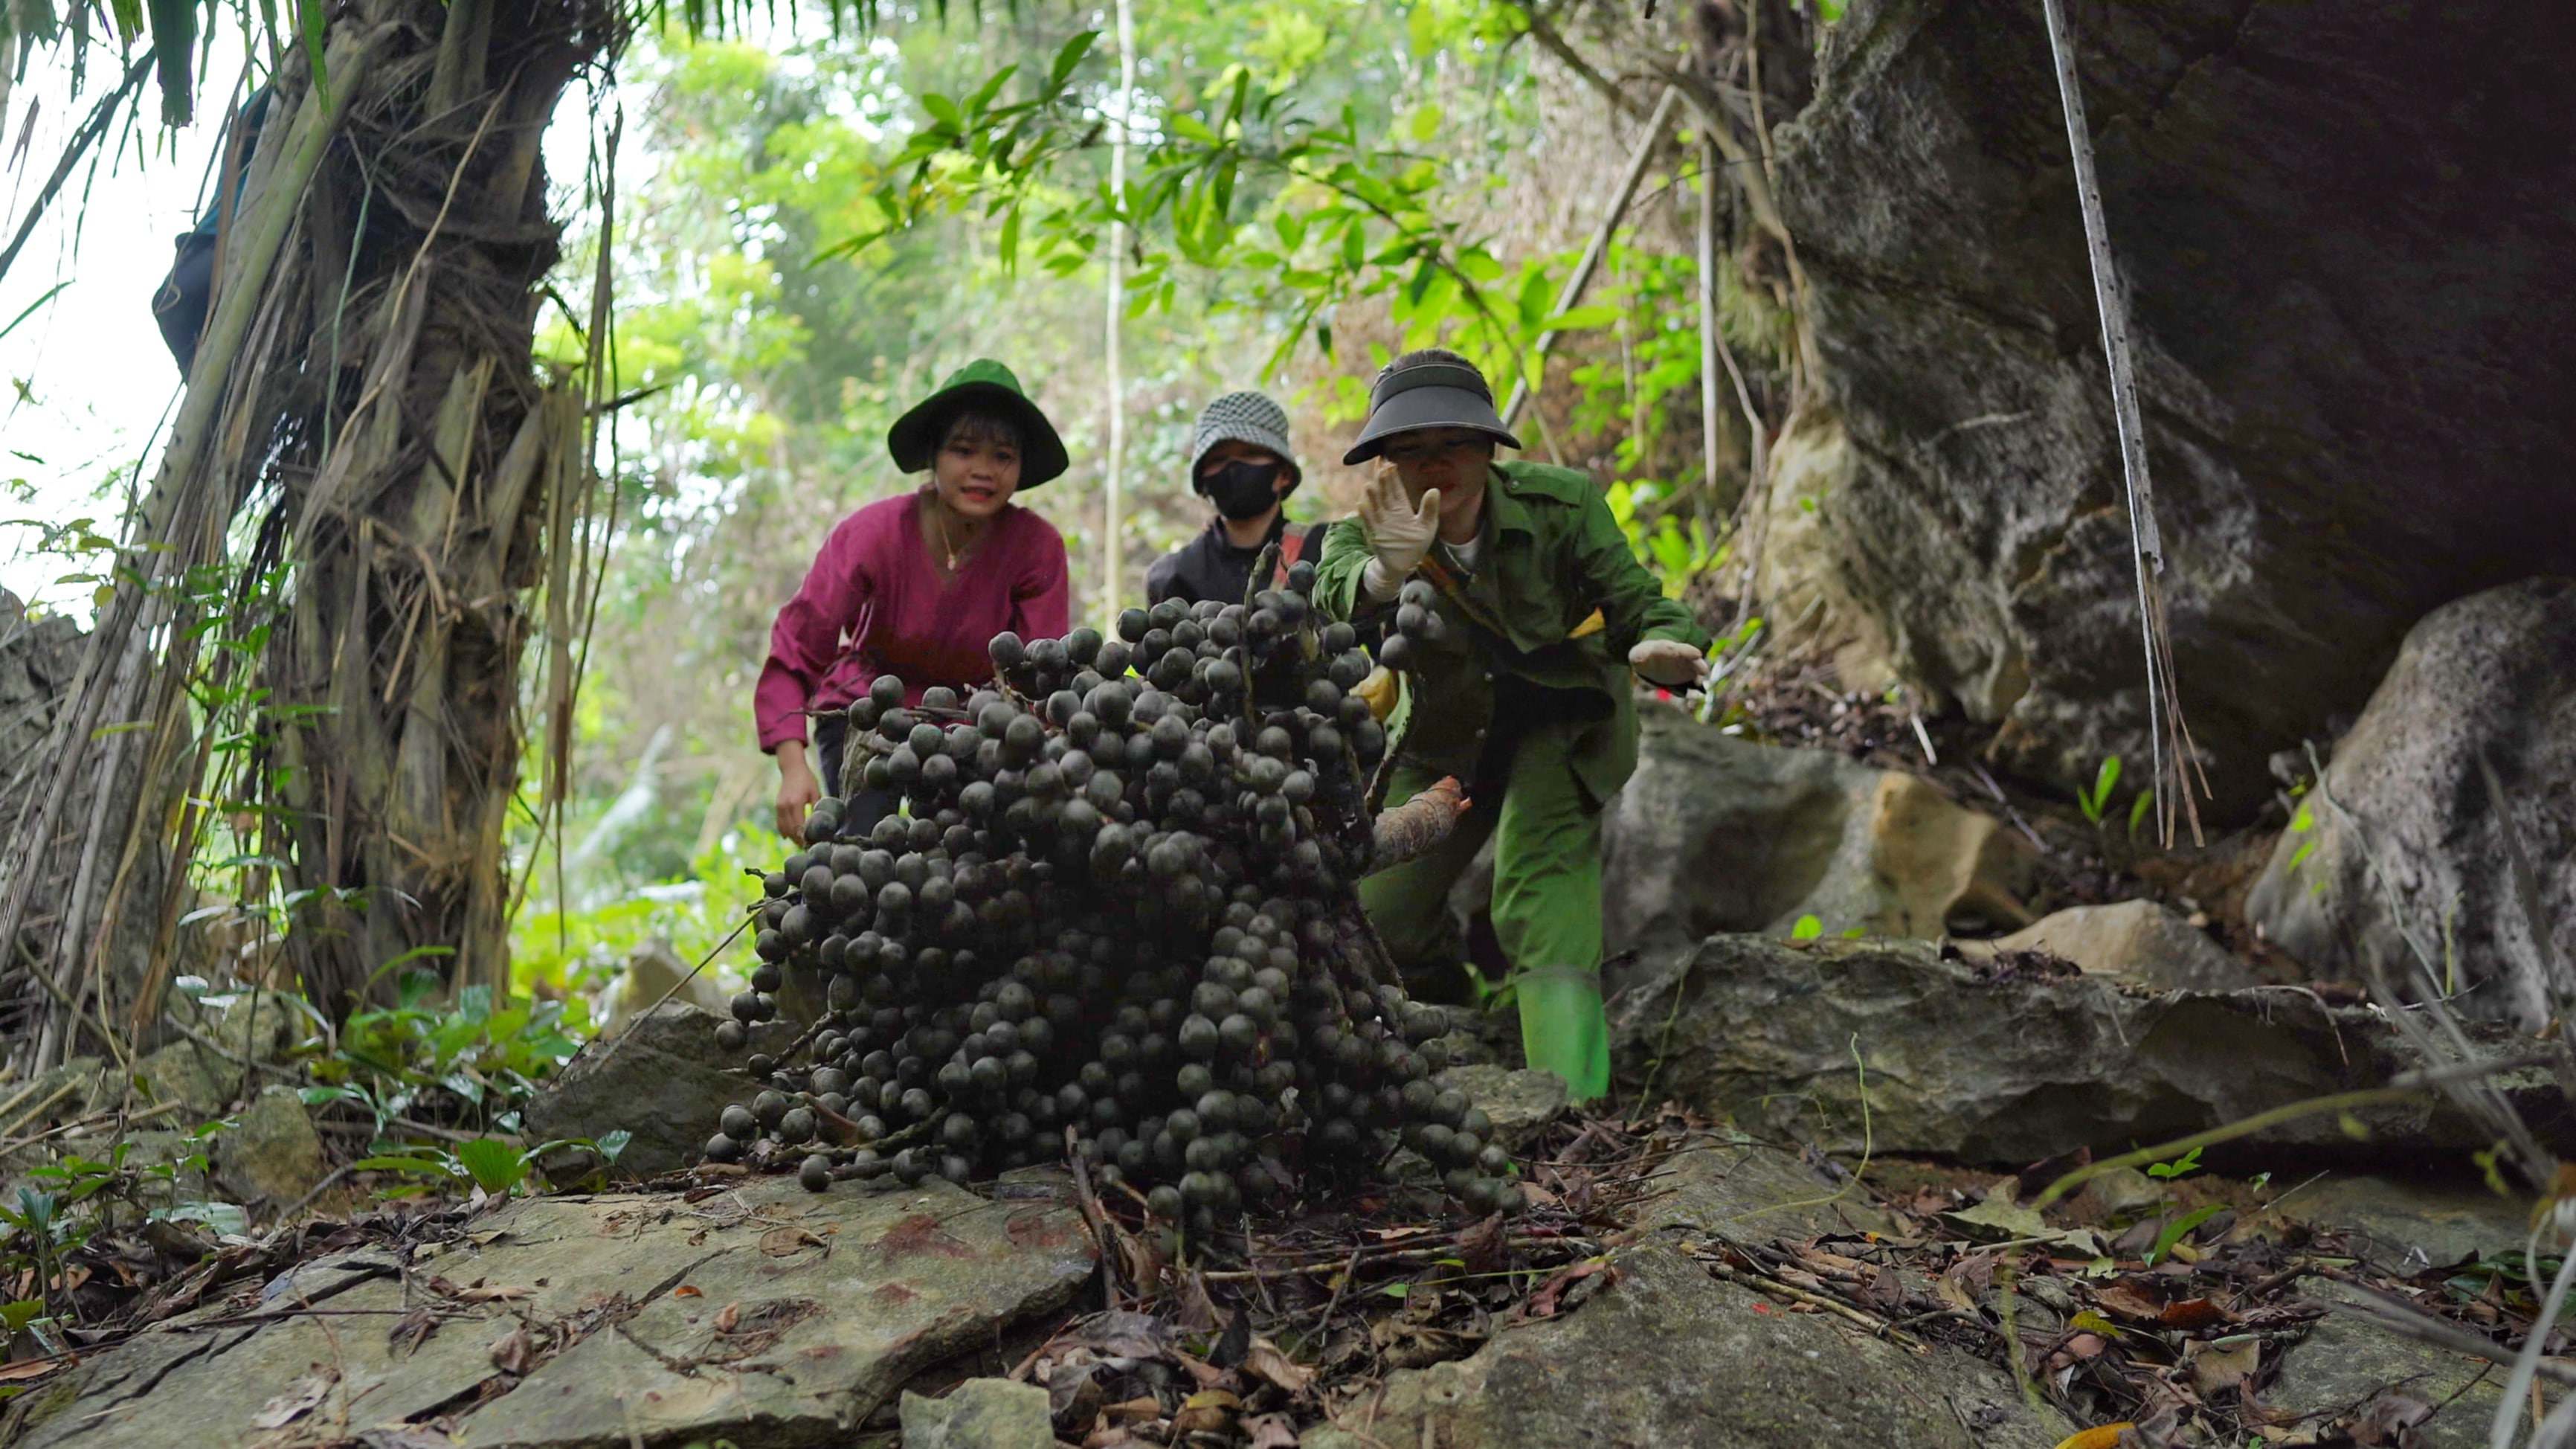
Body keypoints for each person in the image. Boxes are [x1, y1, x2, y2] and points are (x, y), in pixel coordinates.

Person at [1312, 349, 1711, 1102]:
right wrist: (1384, 573)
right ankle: (1457, 1019)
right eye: (1410, 448)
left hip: (1559, 720)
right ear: (1385, 463)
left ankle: (1570, 1099)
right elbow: (1333, 591)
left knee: (1537, 890)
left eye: (1453, 442)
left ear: (1489, 447)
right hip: (1443, 738)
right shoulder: (1368, 532)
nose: (1435, 463)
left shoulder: (1562, 505)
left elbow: (1637, 600)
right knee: (1375, 913)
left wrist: (1658, 644)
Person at [756, 359, 1072, 842]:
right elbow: (799, 645)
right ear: (934, 455)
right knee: (863, 850)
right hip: (866, 711)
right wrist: (792, 765)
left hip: (974, 724)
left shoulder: (1037, 546)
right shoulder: (871, 533)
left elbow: (1039, 675)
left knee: (968, 853)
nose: (983, 471)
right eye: (963, 451)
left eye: (1003, 456)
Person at [1145, 391, 1322, 608]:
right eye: (1219, 459)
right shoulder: (1172, 577)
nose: (1233, 468)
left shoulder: (1324, 553)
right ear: (1203, 483)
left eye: (1250, 454)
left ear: (1283, 475)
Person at [153, 86, 272, 373]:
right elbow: (284, 89)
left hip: (238, 240)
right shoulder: (268, 107)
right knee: (172, 303)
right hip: (217, 239)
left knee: (173, 303)